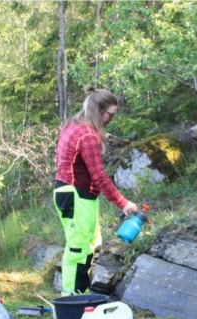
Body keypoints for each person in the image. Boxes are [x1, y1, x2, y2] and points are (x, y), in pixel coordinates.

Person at [53, 86, 137, 295]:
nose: (111, 119)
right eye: (111, 114)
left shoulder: (73, 125)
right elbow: (98, 174)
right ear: (100, 111)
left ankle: (80, 296)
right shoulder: (87, 135)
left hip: (79, 195)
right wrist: (123, 203)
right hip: (75, 194)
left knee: (91, 243)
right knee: (78, 247)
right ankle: (71, 302)